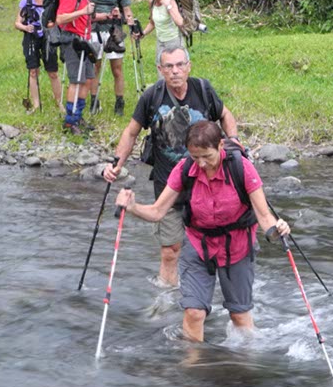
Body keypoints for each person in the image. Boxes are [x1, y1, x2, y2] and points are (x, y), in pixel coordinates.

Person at [115, 120, 290, 342]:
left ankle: (245, 367)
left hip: (237, 247)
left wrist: (278, 230)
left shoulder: (241, 168)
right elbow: (157, 211)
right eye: (195, 157)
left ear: (220, 146)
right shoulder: (186, 168)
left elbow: (264, 216)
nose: (202, 163)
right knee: (194, 312)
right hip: (199, 246)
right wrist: (131, 207)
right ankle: (193, 366)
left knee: (239, 315)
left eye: (207, 156)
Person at [103, 46, 237, 288]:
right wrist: (116, 164)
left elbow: (225, 115)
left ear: (188, 66)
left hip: (207, 185)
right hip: (168, 185)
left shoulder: (203, 90)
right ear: (160, 70)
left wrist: (234, 141)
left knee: (214, 246)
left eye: (179, 65)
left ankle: (213, 291)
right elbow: (131, 132)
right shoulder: (151, 96)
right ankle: (166, 295)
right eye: (168, 66)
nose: (175, 71)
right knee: (170, 249)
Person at [89, 0, 135, 116]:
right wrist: (98, 16)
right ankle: (94, 101)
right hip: (95, 30)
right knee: (95, 67)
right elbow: (86, 12)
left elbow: (127, 9)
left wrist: (125, 18)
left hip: (114, 30)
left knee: (117, 69)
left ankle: (119, 103)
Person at [56, 0, 98, 134]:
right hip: (72, 41)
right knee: (76, 81)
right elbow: (60, 19)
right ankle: (69, 121)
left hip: (85, 41)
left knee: (88, 79)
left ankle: (78, 115)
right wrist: (83, 12)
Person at [13, 0, 62, 111]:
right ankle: (36, 104)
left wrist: (54, 24)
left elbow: (59, 17)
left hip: (48, 37)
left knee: (52, 71)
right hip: (31, 37)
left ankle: (59, 102)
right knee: (33, 71)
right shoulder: (26, 0)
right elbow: (17, 23)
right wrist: (25, 27)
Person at [135, 0, 184, 66]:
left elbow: (180, 22)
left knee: (175, 71)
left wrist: (168, 6)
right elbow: (152, 23)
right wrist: (143, 33)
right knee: (161, 70)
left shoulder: (170, 1)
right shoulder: (152, 2)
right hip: (160, 41)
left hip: (174, 41)